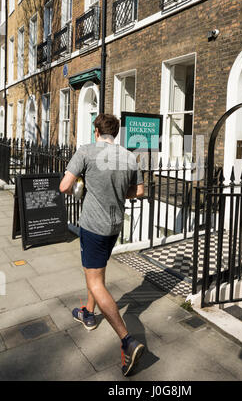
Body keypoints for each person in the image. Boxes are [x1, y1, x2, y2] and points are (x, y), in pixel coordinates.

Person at [59, 113, 145, 377]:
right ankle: (88, 312)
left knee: (95, 279)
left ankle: (127, 340)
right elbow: (140, 192)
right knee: (96, 271)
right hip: (114, 225)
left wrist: (81, 184)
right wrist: (120, 192)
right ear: (115, 134)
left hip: (93, 226)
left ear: (96, 131)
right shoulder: (129, 157)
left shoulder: (86, 151)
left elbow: (64, 186)